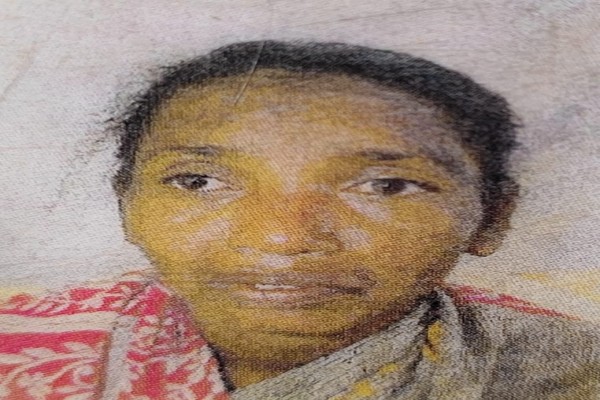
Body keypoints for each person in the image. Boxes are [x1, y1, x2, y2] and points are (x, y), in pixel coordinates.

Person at [1, 41, 599, 399]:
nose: (283, 237)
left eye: (385, 186)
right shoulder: (17, 350)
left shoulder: (569, 369)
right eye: (199, 182)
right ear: (127, 206)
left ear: (491, 219)